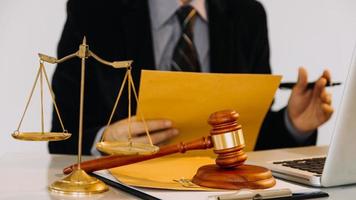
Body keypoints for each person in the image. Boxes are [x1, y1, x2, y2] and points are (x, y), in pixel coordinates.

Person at [49, 0, 333, 155]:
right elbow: (61, 135)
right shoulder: (93, 11)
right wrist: (104, 140)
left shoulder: (248, 16)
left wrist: (292, 123)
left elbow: (248, 136)